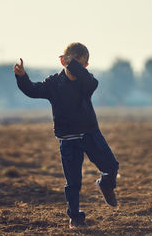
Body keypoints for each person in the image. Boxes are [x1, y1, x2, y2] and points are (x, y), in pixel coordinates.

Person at [13, 42, 119, 229]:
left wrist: (72, 63)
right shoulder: (53, 83)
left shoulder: (87, 82)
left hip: (90, 133)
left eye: (81, 64)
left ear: (85, 66)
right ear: (62, 61)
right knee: (73, 183)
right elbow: (32, 90)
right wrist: (21, 77)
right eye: (71, 62)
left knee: (111, 165)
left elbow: (92, 81)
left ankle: (105, 184)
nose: (75, 67)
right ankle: (76, 218)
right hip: (68, 140)